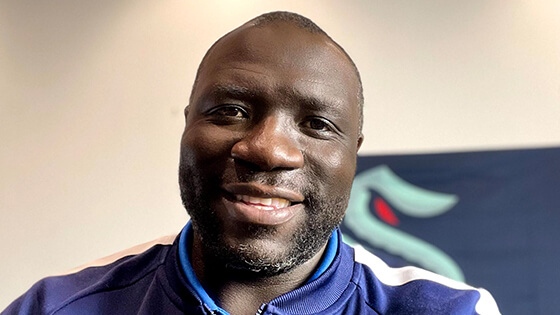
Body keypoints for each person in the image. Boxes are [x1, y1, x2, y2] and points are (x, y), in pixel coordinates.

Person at [3, 11, 500, 315]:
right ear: (187, 126)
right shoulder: (58, 308)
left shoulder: (448, 311)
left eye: (317, 125)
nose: (268, 150)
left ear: (354, 153)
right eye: (231, 111)